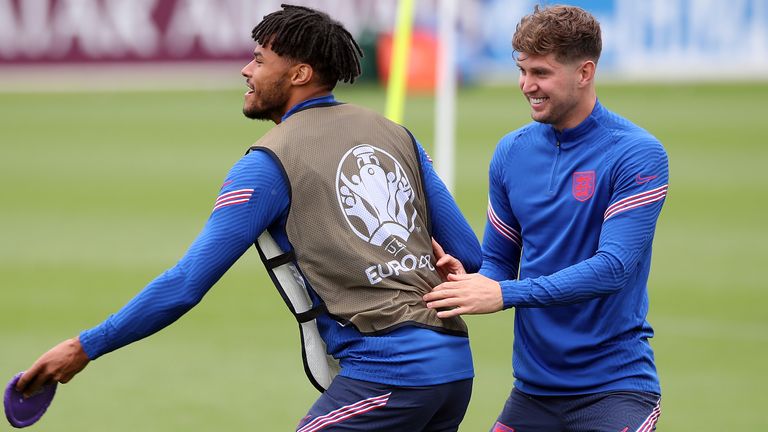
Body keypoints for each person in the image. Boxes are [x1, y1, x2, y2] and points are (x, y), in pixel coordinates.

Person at [16, 5, 482, 431]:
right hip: (455, 370)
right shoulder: (396, 133)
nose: (246, 69)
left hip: (390, 378)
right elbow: (467, 254)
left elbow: (185, 285)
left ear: (299, 73)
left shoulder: (266, 164)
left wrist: (84, 347)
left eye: (260, 60)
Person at [424, 5, 667, 432]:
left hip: (615, 392)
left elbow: (613, 268)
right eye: (522, 70)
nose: (526, 85)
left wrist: (505, 294)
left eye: (541, 73)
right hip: (533, 394)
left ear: (585, 72)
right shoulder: (511, 152)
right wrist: (469, 280)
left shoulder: (636, 154)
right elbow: (500, 263)